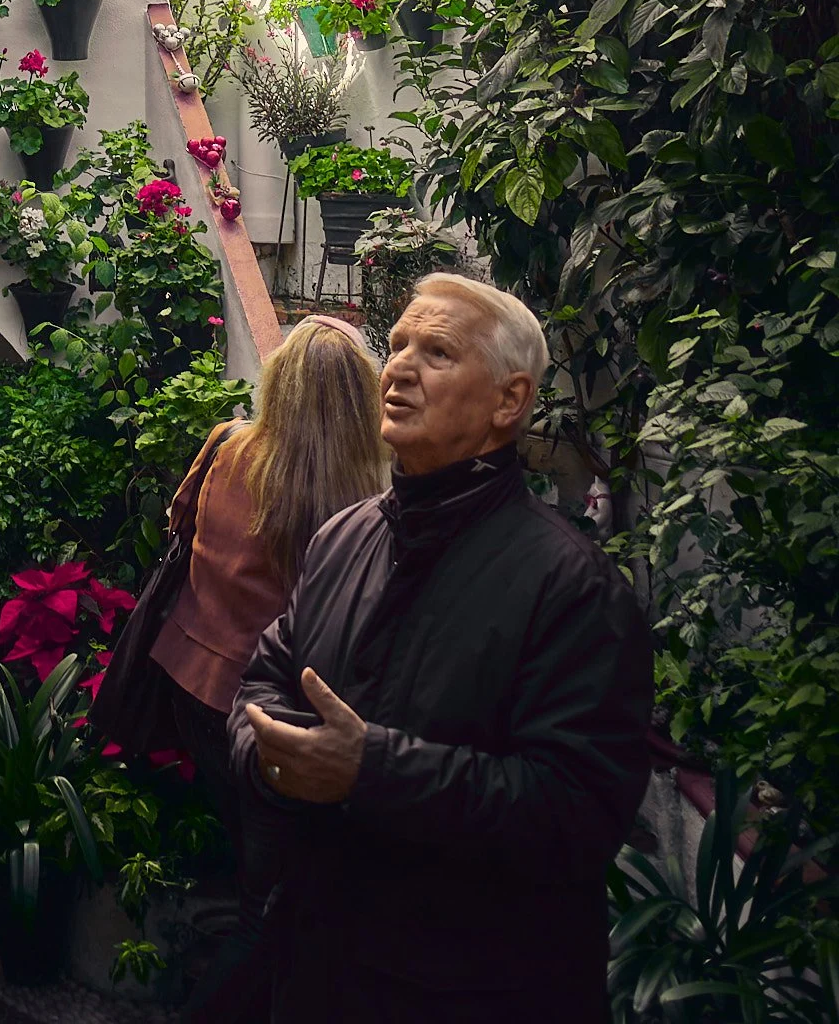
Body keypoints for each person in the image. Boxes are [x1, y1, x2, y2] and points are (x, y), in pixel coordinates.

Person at [230, 272, 654, 1024]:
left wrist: (372, 770)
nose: (397, 368)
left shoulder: (572, 587)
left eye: (437, 352)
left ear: (509, 402)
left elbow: (578, 812)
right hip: (319, 969)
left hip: (472, 991)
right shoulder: (345, 536)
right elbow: (265, 677)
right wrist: (269, 756)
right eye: (395, 346)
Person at [151, 316, 388, 970]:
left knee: (250, 859)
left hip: (191, 681)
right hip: (274, 719)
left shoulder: (229, 443)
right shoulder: (362, 497)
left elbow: (177, 521)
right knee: (270, 900)